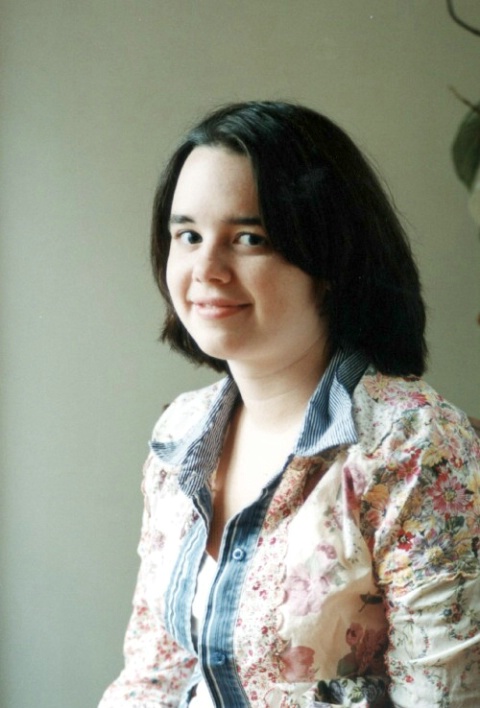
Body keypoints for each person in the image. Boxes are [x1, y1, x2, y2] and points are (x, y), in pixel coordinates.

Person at [99, 101, 480, 708]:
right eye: (188, 235)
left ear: (329, 259)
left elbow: (446, 699)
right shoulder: (182, 433)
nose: (206, 268)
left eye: (249, 238)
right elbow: (155, 678)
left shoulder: (413, 444)